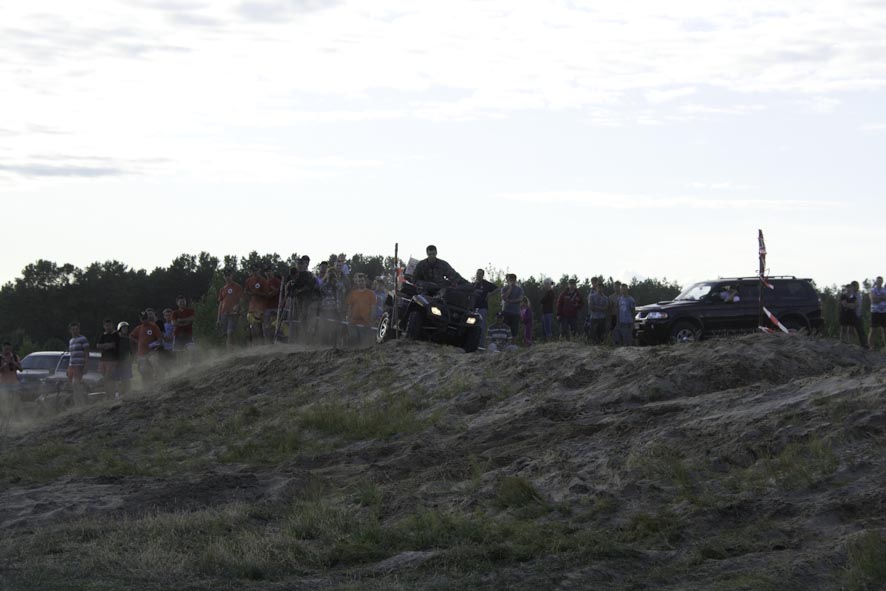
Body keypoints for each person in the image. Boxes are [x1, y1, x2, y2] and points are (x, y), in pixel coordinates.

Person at [129, 311, 163, 386]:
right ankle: (146, 385)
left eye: (145, 318)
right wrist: (137, 341)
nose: (144, 320)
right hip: (142, 353)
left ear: (148, 318)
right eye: (143, 319)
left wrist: (154, 344)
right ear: (140, 319)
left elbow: (160, 338)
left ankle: (159, 381)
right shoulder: (139, 328)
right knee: (144, 370)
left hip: (152, 352)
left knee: (155, 364)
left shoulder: (153, 326)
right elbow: (131, 336)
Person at [345, 273, 377, 346]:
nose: (360, 283)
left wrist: (371, 320)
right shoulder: (353, 293)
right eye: (359, 281)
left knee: (364, 343)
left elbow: (373, 308)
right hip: (354, 322)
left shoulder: (371, 293)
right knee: (354, 342)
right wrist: (348, 317)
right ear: (357, 282)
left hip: (366, 323)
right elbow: (349, 307)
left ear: (365, 282)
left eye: (362, 281)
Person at [471, 269, 498, 349]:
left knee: (481, 326)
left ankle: (480, 345)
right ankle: (471, 343)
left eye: (480, 274)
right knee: (471, 325)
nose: (478, 275)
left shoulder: (486, 284)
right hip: (473, 308)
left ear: (483, 275)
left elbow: (498, 289)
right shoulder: (474, 284)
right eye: (477, 273)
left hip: (483, 308)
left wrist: (490, 294)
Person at [217, 270, 243, 350]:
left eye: (228, 275)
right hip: (224, 313)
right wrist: (218, 318)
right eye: (225, 275)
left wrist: (238, 306)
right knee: (225, 334)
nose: (227, 277)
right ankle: (231, 349)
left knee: (230, 332)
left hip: (233, 313)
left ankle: (230, 350)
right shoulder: (222, 289)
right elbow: (220, 304)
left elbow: (241, 299)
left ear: (232, 275)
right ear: (223, 277)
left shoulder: (237, 286)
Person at [243, 265, 268, 345]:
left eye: (256, 270)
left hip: (261, 307)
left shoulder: (263, 280)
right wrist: (249, 294)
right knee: (252, 326)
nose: (254, 272)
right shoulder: (248, 280)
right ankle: (254, 344)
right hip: (251, 307)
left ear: (259, 270)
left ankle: (262, 343)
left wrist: (257, 293)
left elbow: (266, 294)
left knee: (260, 326)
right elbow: (245, 292)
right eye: (253, 270)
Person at [0, 342, 22, 433]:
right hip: (4, 384)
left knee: (15, 403)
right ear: (3, 348)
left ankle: (14, 420)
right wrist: (5, 364)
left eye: (9, 349)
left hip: (14, 383)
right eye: (6, 349)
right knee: (4, 403)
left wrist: (13, 363)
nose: (7, 351)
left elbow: (21, 369)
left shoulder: (15, 357)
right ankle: (4, 421)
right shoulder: (0, 358)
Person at [96, 319, 120, 398]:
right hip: (103, 359)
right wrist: (107, 345)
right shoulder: (102, 335)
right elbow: (98, 346)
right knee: (106, 378)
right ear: (104, 326)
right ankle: (108, 395)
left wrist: (104, 345)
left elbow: (113, 345)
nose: (108, 327)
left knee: (109, 377)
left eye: (109, 325)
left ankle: (111, 395)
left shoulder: (115, 334)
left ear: (112, 325)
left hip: (112, 359)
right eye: (106, 325)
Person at [67, 322, 90, 403]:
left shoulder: (83, 339)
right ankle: (77, 403)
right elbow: (71, 354)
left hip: (79, 365)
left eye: (76, 329)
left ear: (79, 330)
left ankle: (82, 402)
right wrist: (68, 367)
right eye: (73, 329)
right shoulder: (71, 341)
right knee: (73, 385)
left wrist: (86, 365)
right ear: (70, 331)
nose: (75, 331)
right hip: (72, 365)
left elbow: (87, 353)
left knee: (76, 383)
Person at [841, 281, 867, 348]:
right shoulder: (849, 294)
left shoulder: (858, 294)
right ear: (852, 286)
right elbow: (845, 304)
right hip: (850, 314)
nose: (857, 287)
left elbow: (857, 304)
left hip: (858, 314)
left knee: (860, 330)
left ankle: (863, 344)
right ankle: (844, 342)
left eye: (858, 286)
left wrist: (852, 305)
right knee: (847, 328)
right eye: (855, 286)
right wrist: (851, 305)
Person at [500, 273, 523, 339]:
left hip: (515, 312)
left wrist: (510, 301)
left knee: (514, 331)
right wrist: (510, 288)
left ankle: (513, 343)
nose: (510, 281)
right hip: (506, 311)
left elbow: (520, 299)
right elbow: (504, 297)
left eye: (512, 280)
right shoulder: (504, 288)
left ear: (515, 280)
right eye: (509, 280)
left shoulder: (519, 289)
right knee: (505, 329)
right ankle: (505, 342)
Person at [263, 271, 282, 343]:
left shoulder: (277, 281)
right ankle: (267, 341)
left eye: (269, 271)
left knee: (275, 324)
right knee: (266, 325)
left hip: (276, 306)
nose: (268, 273)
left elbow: (278, 291)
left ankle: (277, 340)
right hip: (266, 306)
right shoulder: (264, 282)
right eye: (266, 271)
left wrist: (269, 293)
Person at [115, 322, 133, 397]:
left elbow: (131, 351)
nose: (125, 329)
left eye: (126, 328)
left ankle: (127, 394)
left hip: (126, 362)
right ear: (120, 329)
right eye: (123, 328)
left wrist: (132, 359)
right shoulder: (116, 339)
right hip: (118, 362)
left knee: (127, 379)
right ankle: (120, 395)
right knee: (119, 380)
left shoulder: (128, 339)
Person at [869, 276, 886, 349]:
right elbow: (873, 300)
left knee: (884, 330)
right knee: (873, 330)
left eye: (881, 281)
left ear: (882, 282)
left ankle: (885, 347)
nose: (879, 282)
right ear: (876, 281)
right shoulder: (873, 290)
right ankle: (871, 346)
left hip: (884, 312)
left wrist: (877, 298)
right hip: (875, 312)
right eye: (878, 281)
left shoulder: (884, 289)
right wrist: (882, 298)